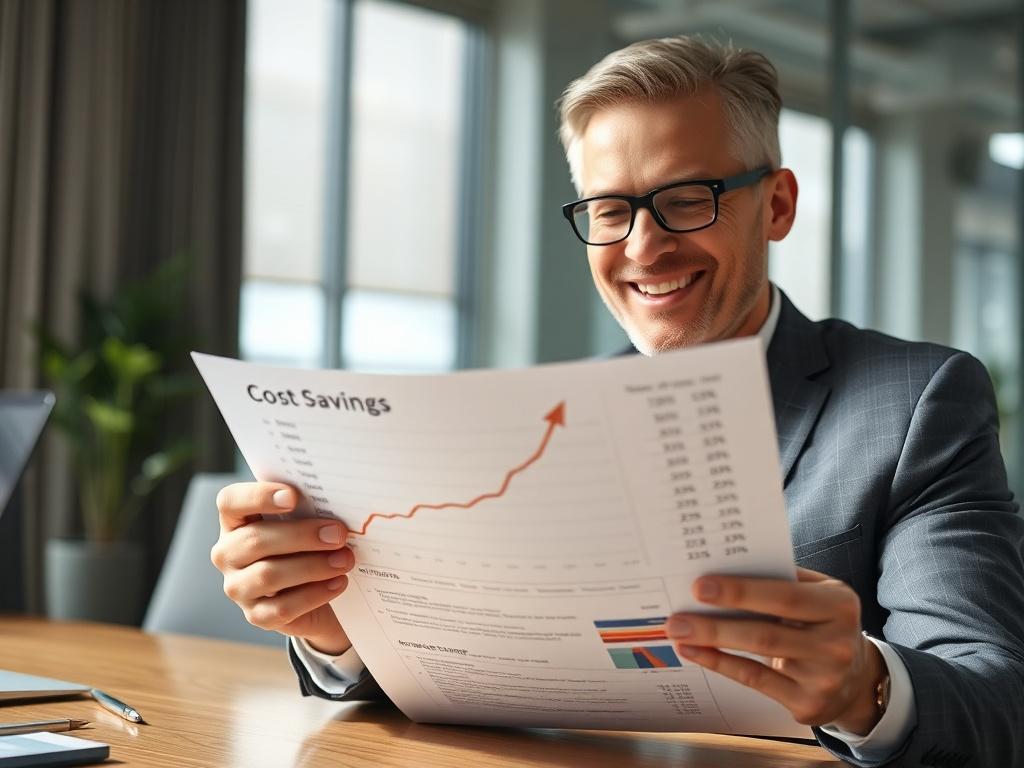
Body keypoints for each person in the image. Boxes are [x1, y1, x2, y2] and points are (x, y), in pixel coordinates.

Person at [211, 36, 1024, 767]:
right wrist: (334, 628)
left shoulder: (916, 401)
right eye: (610, 210)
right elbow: (468, 680)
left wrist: (865, 687)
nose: (643, 246)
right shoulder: (548, 420)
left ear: (776, 205)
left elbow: (996, 701)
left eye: (685, 199)